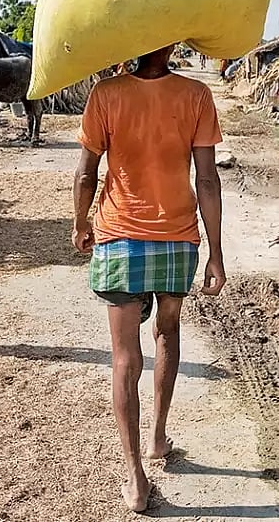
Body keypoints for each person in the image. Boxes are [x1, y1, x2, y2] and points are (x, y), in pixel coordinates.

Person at [72, 44, 226, 513]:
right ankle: (158, 436)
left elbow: (85, 175)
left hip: (120, 240)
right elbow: (207, 180)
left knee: (124, 359)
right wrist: (215, 253)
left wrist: (81, 224)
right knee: (168, 333)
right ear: (174, 43)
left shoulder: (106, 93)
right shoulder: (196, 95)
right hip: (178, 241)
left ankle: (135, 475)